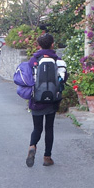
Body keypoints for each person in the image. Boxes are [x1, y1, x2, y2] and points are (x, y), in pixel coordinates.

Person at [26, 33, 67, 167]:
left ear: (38, 45)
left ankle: (32, 146)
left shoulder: (33, 61)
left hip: (36, 100)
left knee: (37, 128)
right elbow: (63, 79)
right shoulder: (59, 61)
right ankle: (47, 157)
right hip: (52, 101)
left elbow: (28, 79)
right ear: (52, 45)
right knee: (49, 128)